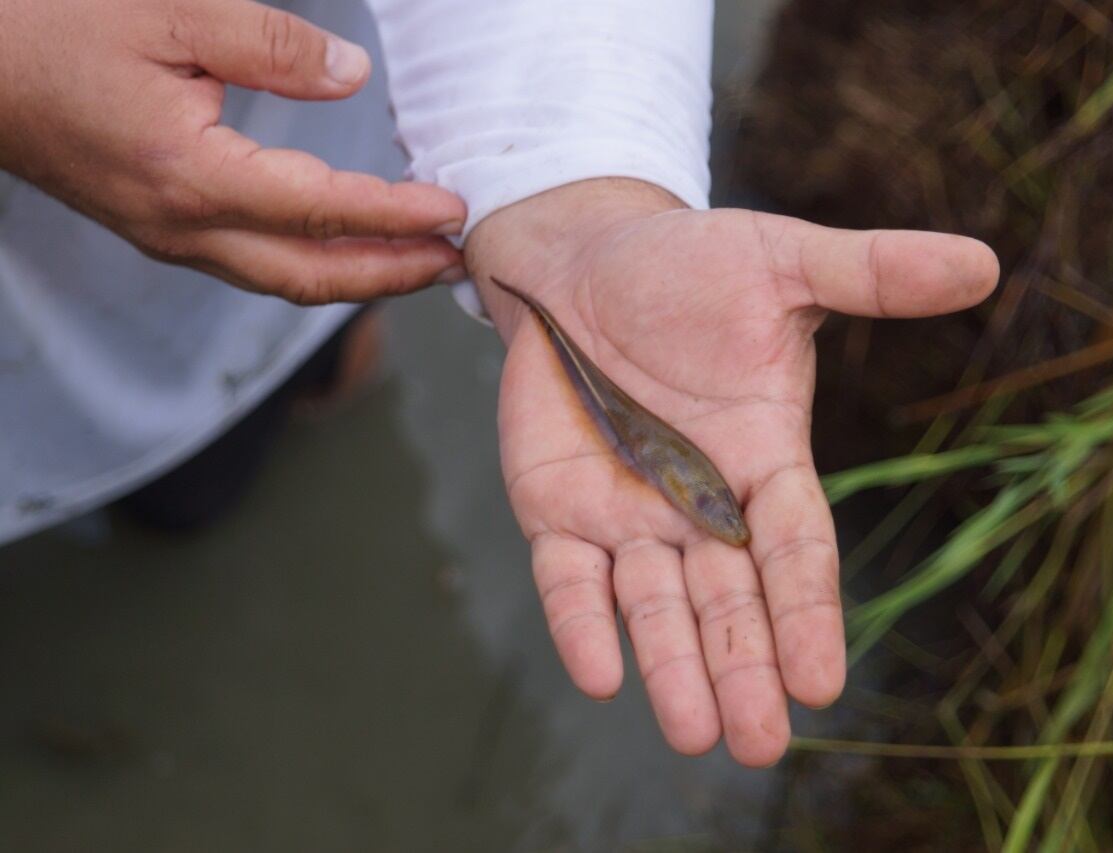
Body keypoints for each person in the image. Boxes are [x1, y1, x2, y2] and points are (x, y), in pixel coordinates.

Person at [0, 0, 999, 768]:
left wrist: (578, 184)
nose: (714, 511)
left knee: (216, 447)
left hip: (246, 222)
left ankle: (277, 392)